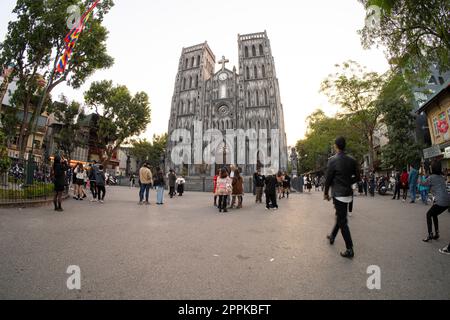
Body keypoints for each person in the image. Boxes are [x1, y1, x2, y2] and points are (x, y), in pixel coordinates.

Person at [324, 137, 360, 259]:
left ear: (336, 146)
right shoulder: (352, 160)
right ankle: (333, 235)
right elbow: (357, 177)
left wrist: (325, 193)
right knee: (340, 216)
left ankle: (350, 249)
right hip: (348, 193)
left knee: (342, 221)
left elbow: (328, 178)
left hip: (338, 194)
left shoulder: (332, 160)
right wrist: (348, 182)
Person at [419, 161, 450, 243]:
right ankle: (436, 233)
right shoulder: (441, 176)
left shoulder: (432, 177)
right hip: (447, 201)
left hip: (440, 201)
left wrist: (421, 174)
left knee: (428, 214)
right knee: (434, 214)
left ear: (432, 168)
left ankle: (430, 234)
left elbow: (422, 183)